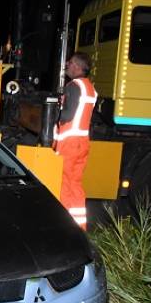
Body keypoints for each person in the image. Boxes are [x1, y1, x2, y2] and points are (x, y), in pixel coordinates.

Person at [54, 52, 97, 230]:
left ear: (77, 67)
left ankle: (65, 227)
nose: (67, 65)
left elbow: (67, 115)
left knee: (65, 185)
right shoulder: (90, 88)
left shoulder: (73, 86)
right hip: (81, 143)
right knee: (75, 186)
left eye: (70, 62)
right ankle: (79, 228)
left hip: (69, 144)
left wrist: (51, 112)